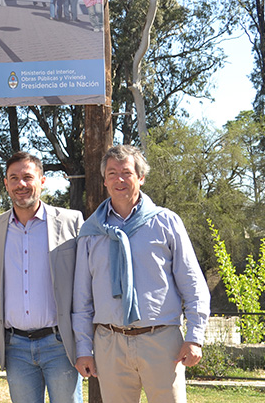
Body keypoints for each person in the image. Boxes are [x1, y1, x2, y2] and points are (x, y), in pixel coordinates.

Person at [72, 145, 211, 403]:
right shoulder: (91, 232)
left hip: (161, 341)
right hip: (109, 343)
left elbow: (193, 285)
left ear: (141, 178)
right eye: (112, 173)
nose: (119, 179)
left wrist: (194, 337)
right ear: (104, 181)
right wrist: (83, 349)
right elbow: (82, 299)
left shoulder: (166, 222)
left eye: (126, 172)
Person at [0, 152, 84, 403]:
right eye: (14, 178)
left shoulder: (72, 222)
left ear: (42, 180)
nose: (21, 184)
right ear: (5, 184)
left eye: (28, 177)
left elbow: (86, 286)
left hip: (60, 345)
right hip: (16, 347)